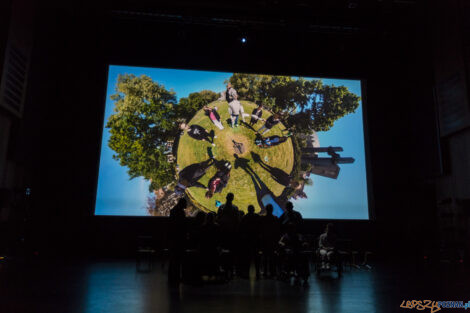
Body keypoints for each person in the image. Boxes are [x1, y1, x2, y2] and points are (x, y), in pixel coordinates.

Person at [168, 198, 188, 286]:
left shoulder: (174, 211)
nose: (186, 206)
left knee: (174, 259)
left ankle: (173, 277)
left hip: (174, 239)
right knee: (177, 259)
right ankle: (176, 277)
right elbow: (182, 226)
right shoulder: (180, 212)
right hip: (178, 239)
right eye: (185, 204)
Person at [239, 205, 261, 278]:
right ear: (254, 209)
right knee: (256, 257)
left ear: (248, 210)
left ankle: (246, 273)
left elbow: (241, 229)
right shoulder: (257, 217)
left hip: (247, 240)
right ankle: (257, 273)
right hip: (256, 240)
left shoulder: (244, 218)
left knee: (247, 257)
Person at [260, 204, 280, 278]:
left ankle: (265, 271)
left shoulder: (262, 218)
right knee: (272, 257)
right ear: (272, 210)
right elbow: (277, 230)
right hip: (272, 240)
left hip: (265, 240)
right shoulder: (275, 218)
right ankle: (272, 271)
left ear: (266, 209)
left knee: (265, 256)